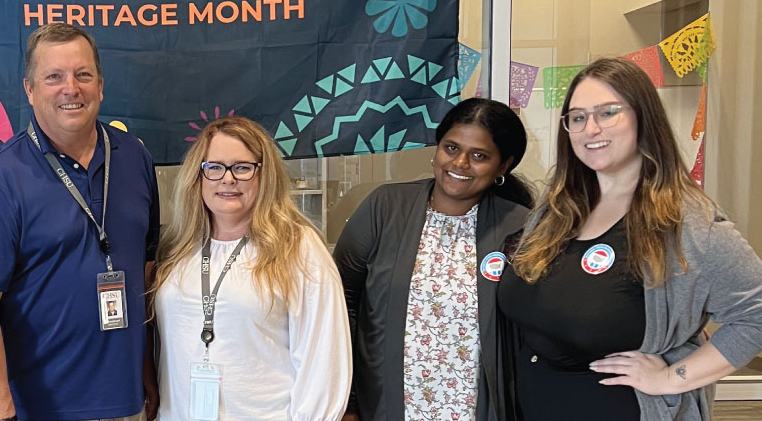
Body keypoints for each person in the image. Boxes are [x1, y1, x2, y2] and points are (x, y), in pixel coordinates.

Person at [498, 57, 762, 421]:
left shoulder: (687, 222)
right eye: (577, 117)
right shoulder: (556, 209)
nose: (591, 128)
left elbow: (756, 315)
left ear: (643, 117)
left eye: (608, 112)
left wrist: (672, 378)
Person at [0, 23, 160, 421]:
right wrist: (2, 415)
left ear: (100, 85)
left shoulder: (136, 157)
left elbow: (146, 269)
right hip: (42, 409)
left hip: (129, 404)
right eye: (54, 77)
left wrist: (149, 374)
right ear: (30, 90)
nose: (71, 88)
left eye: (83, 75)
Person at [334, 97, 533, 421]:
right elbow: (342, 305)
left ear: (503, 165)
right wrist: (349, 402)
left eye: (479, 156)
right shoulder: (385, 208)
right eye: (451, 148)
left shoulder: (520, 227)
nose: (460, 164)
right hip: (384, 408)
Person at [153, 116, 351, 421]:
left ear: (264, 175)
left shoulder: (297, 246)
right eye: (215, 167)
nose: (227, 179)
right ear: (198, 175)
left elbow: (324, 360)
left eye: (242, 168)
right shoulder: (177, 247)